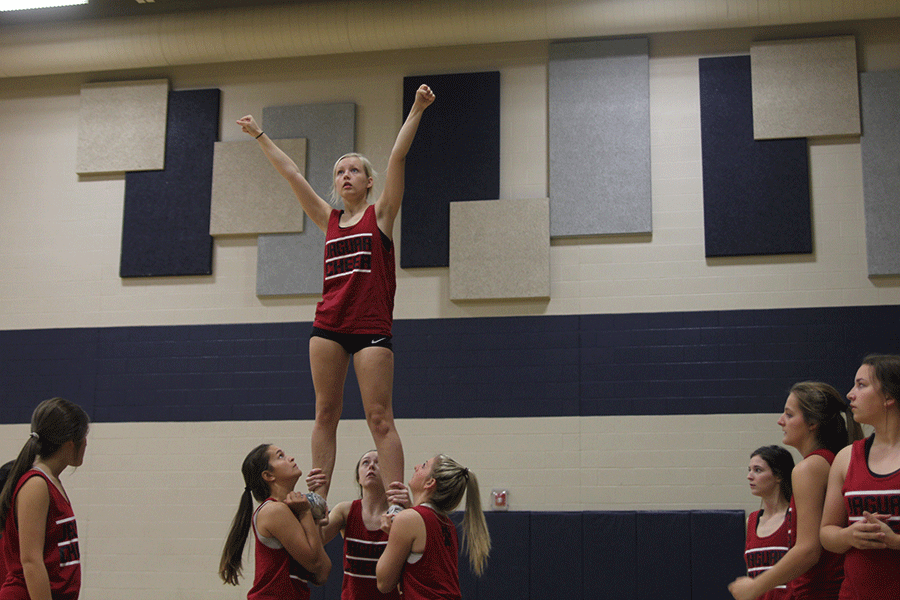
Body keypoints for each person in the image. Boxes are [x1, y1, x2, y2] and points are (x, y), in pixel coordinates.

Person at [237, 84, 436, 513]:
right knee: (325, 413)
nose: (346, 176)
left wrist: (417, 108)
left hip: (370, 329)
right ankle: (319, 496)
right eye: (340, 172)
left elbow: (397, 157)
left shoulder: (380, 215)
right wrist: (259, 135)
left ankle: (397, 501)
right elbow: (292, 173)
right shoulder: (327, 219)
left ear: (368, 182)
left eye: (354, 170)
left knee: (378, 418)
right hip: (328, 325)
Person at [729, 381, 862, 600]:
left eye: (789, 415)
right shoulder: (832, 460)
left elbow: (809, 550)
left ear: (812, 423)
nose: (781, 421)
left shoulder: (809, 468)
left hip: (818, 591)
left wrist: (756, 586)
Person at [821, 354, 900, 599]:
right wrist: (848, 535)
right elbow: (826, 533)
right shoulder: (846, 457)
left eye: (861, 385)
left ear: (889, 397)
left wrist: (895, 540)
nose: (850, 394)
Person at [0, 397, 90, 600]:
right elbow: (31, 561)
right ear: (69, 445)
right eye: (84, 437)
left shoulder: (51, 481)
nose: (86, 443)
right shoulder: (36, 485)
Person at [219, 443, 331, 600]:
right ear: (268, 476)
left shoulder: (293, 511)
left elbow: (322, 574)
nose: (290, 458)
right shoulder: (274, 510)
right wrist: (306, 513)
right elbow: (314, 563)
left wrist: (316, 523)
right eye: (281, 456)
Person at [375, 454, 491, 599]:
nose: (416, 467)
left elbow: (384, 583)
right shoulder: (446, 523)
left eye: (424, 465)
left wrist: (390, 534)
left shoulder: (408, 519)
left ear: (430, 482)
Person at [306, 450, 409, 599]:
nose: (371, 466)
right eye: (365, 462)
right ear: (358, 477)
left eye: (378, 462)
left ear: (388, 476)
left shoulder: (401, 516)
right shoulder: (345, 511)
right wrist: (313, 498)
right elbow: (315, 540)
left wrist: (411, 505)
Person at [742, 445, 795, 600]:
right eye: (749, 469)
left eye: (757, 470)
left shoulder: (795, 517)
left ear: (778, 475)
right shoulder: (751, 521)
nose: (749, 476)